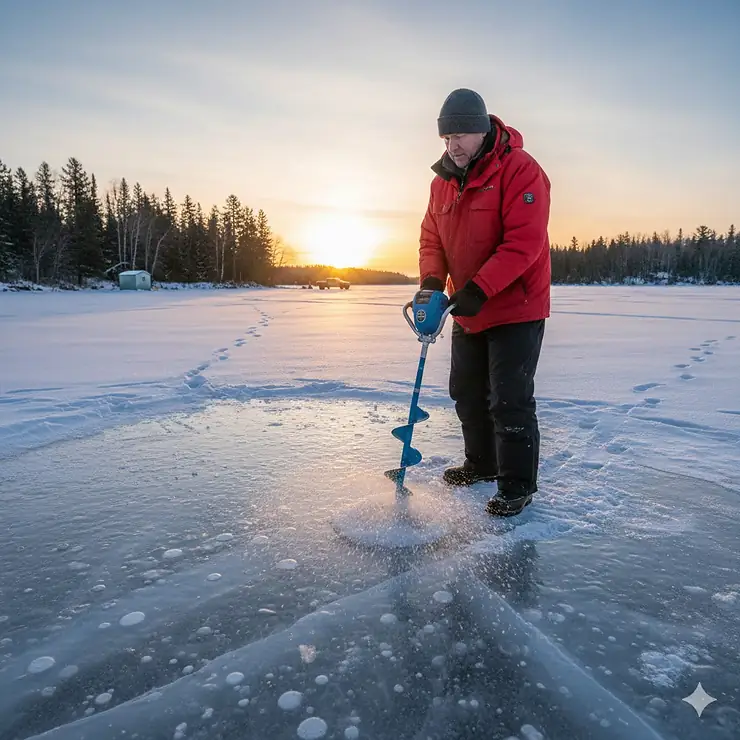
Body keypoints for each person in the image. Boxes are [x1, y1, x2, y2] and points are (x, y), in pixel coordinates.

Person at [418, 88, 551, 517]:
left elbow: (524, 242)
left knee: (509, 397)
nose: (452, 146)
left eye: (460, 135)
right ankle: (481, 464)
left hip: (516, 307)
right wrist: (434, 282)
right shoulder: (441, 183)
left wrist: (479, 289)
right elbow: (431, 238)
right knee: (467, 392)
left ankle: (516, 484)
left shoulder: (521, 170)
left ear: (481, 131)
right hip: (468, 307)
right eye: (446, 138)